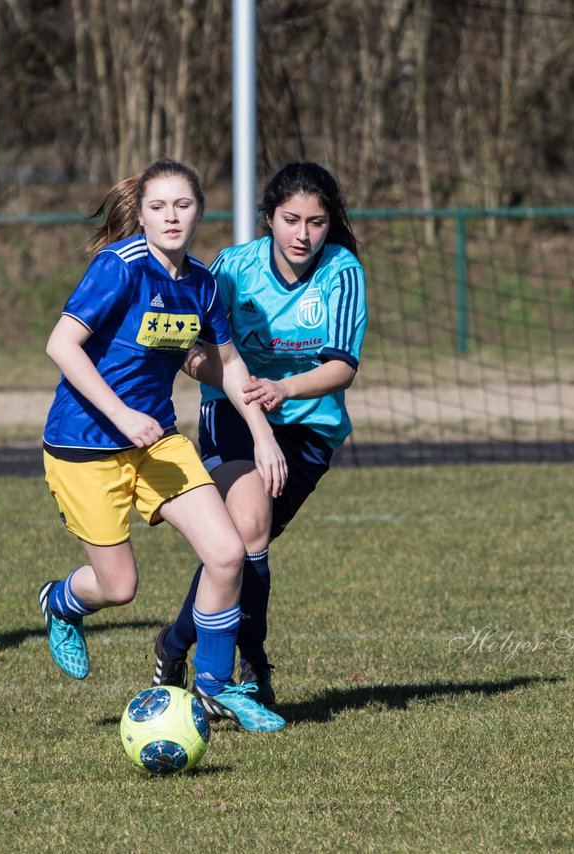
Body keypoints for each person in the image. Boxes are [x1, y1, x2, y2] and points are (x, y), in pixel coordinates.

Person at [38, 157, 288, 732]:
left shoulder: (201, 282)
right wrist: (123, 414)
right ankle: (61, 602)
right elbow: (62, 345)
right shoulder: (119, 267)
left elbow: (227, 363)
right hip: (84, 445)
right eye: (158, 206)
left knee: (227, 555)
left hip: (155, 442)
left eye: (183, 205)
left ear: (200, 210)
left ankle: (216, 687)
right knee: (118, 587)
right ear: (142, 214)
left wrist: (262, 434)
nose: (171, 217)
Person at [152, 162, 368, 705]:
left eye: (316, 222)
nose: (302, 234)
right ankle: (250, 670)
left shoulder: (341, 270)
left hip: (308, 428)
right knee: (248, 529)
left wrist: (283, 390)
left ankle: (175, 644)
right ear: (268, 218)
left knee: (245, 546)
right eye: (291, 219)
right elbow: (189, 354)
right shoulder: (232, 268)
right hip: (231, 410)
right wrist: (243, 387)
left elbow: (342, 367)